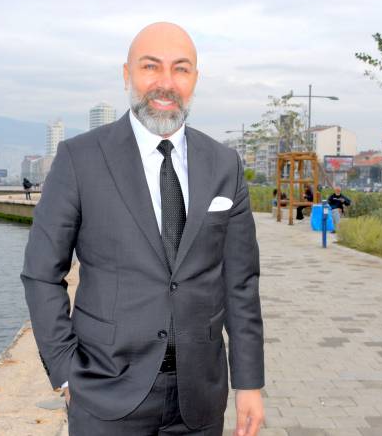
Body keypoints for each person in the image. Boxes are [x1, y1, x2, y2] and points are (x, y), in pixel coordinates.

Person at [20, 22, 264, 436]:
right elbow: (41, 273)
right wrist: (66, 371)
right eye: (151, 66)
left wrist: (249, 382)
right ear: (127, 74)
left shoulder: (224, 165)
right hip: (105, 395)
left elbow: (240, 283)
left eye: (180, 69)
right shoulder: (80, 159)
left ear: (195, 78)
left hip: (200, 398)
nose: (166, 83)